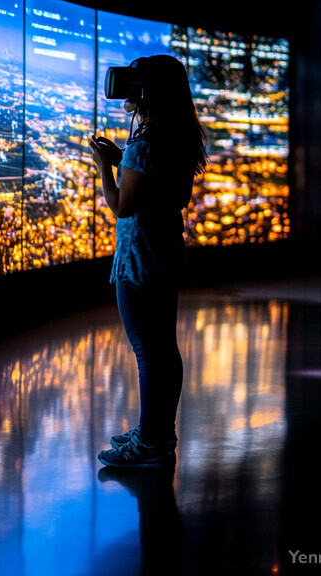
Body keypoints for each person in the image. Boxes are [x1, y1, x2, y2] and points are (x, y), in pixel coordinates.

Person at [89, 54, 207, 468]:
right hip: (165, 253)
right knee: (163, 349)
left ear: (148, 91)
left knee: (147, 351)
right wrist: (127, 159)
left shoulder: (145, 144)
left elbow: (122, 205)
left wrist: (107, 167)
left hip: (139, 259)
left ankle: (151, 443)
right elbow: (171, 194)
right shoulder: (176, 139)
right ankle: (158, 433)